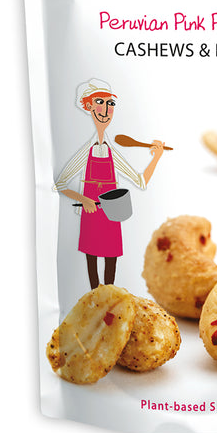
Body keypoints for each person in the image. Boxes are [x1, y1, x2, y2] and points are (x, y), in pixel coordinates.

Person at [54, 79, 165, 288]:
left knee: (111, 259)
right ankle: (93, 297)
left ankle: (112, 298)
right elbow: (60, 184)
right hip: (90, 214)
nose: (106, 110)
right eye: (99, 102)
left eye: (110, 104)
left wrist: (156, 157)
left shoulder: (113, 152)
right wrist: (83, 199)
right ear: (88, 106)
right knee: (91, 259)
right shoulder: (85, 151)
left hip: (112, 213)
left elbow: (140, 181)